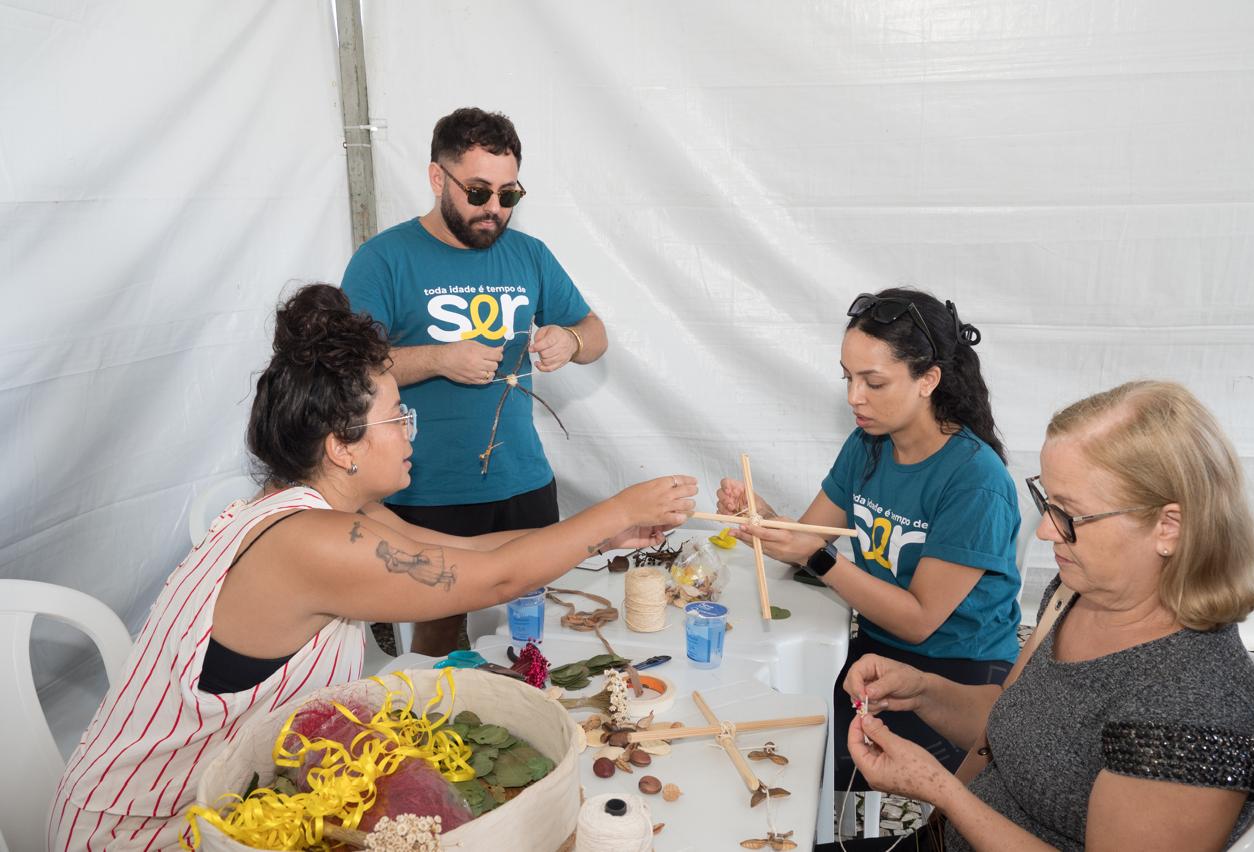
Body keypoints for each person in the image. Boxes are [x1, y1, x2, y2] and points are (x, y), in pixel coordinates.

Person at [48, 285, 694, 851]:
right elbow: (492, 581)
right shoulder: (312, 543)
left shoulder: (327, 512)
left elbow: (468, 554)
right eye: (398, 418)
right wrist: (610, 509)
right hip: (148, 827)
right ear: (341, 446)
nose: (412, 433)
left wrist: (611, 536)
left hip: (232, 796)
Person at [845, 381, 1254, 850]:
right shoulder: (1075, 592)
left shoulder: (1195, 711)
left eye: (1070, 513)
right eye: (1046, 501)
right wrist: (921, 691)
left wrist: (940, 789)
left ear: (1167, 528)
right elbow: (1016, 722)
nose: (1048, 530)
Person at [715, 288, 1022, 791]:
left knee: (785, 755)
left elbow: (920, 621)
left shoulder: (975, 482)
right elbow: (809, 539)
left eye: (873, 382)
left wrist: (820, 558)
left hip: (955, 677)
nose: (855, 397)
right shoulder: (868, 444)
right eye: (848, 378)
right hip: (876, 652)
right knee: (750, 710)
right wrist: (764, 520)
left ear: (929, 380)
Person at [342, 107, 607, 655]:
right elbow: (346, 369)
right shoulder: (383, 260)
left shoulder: (529, 254)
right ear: (438, 177)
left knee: (539, 624)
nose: (494, 209)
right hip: (426, 487)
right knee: (438, 627)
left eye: (509, 195)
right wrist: (438, 360)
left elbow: (595, 331)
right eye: (479, 191)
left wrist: (572, 341)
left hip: (522, 479)